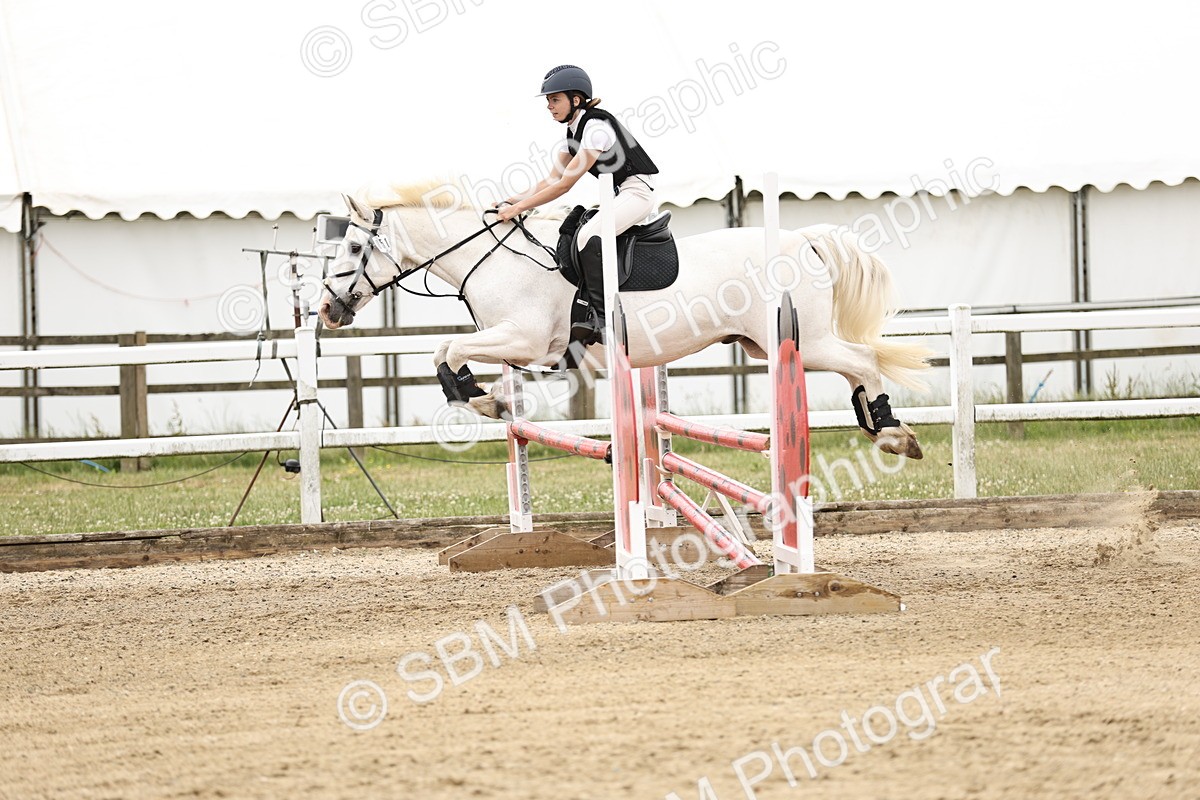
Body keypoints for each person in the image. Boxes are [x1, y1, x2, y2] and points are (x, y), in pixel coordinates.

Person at [496, 65, 659, 344]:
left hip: (638, 193)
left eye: (555, 99)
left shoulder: (595, 129)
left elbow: (564, 186)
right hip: (619, 194)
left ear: (576, 99)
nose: (549, 106)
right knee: (572, 229)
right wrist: (511, 199)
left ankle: (603, 316)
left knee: (588, 235)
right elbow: (551, 178)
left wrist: (519, 210)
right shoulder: (571, 135)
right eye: (548, 101)